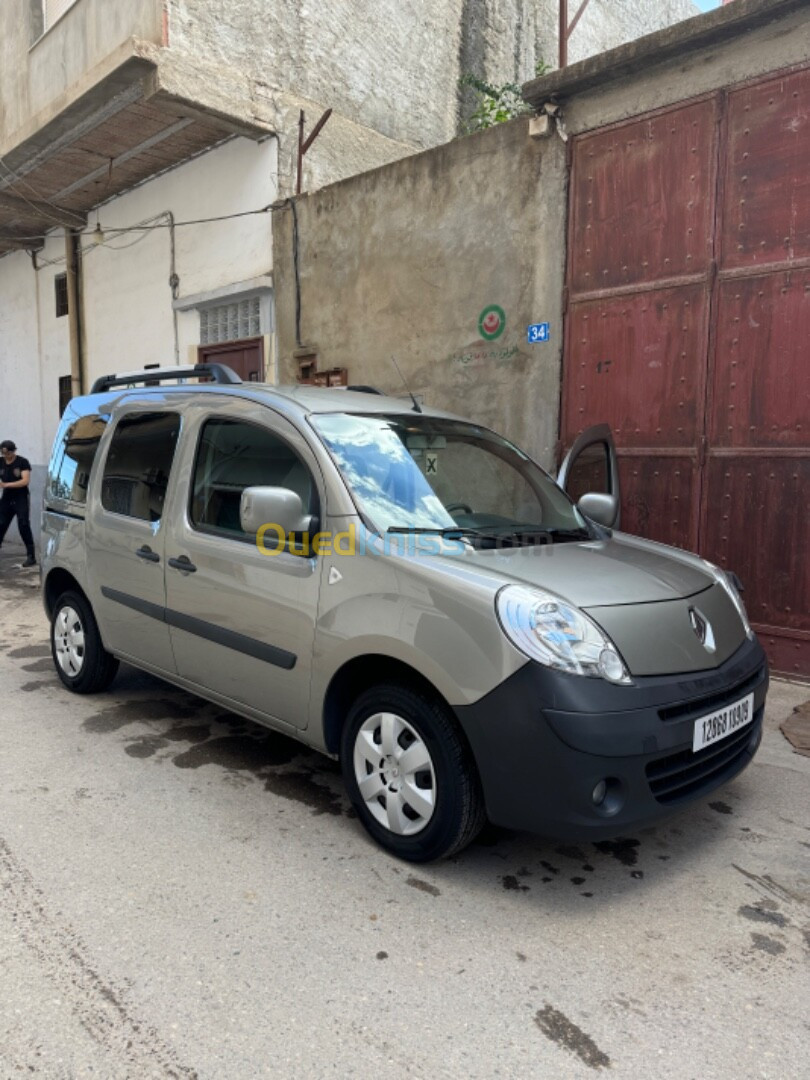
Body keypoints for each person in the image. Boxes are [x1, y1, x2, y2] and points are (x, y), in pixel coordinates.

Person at [0, 440, 36, 567]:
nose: (6, 456)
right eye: (4, 454)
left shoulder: (22, 462)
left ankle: (31, 556)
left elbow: (25, 481)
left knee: (23, 524)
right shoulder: (1, 462)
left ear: (13, 451)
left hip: (20, 497)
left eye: (8, 453)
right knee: (1, 524)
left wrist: (6, 484)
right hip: (6, 498)